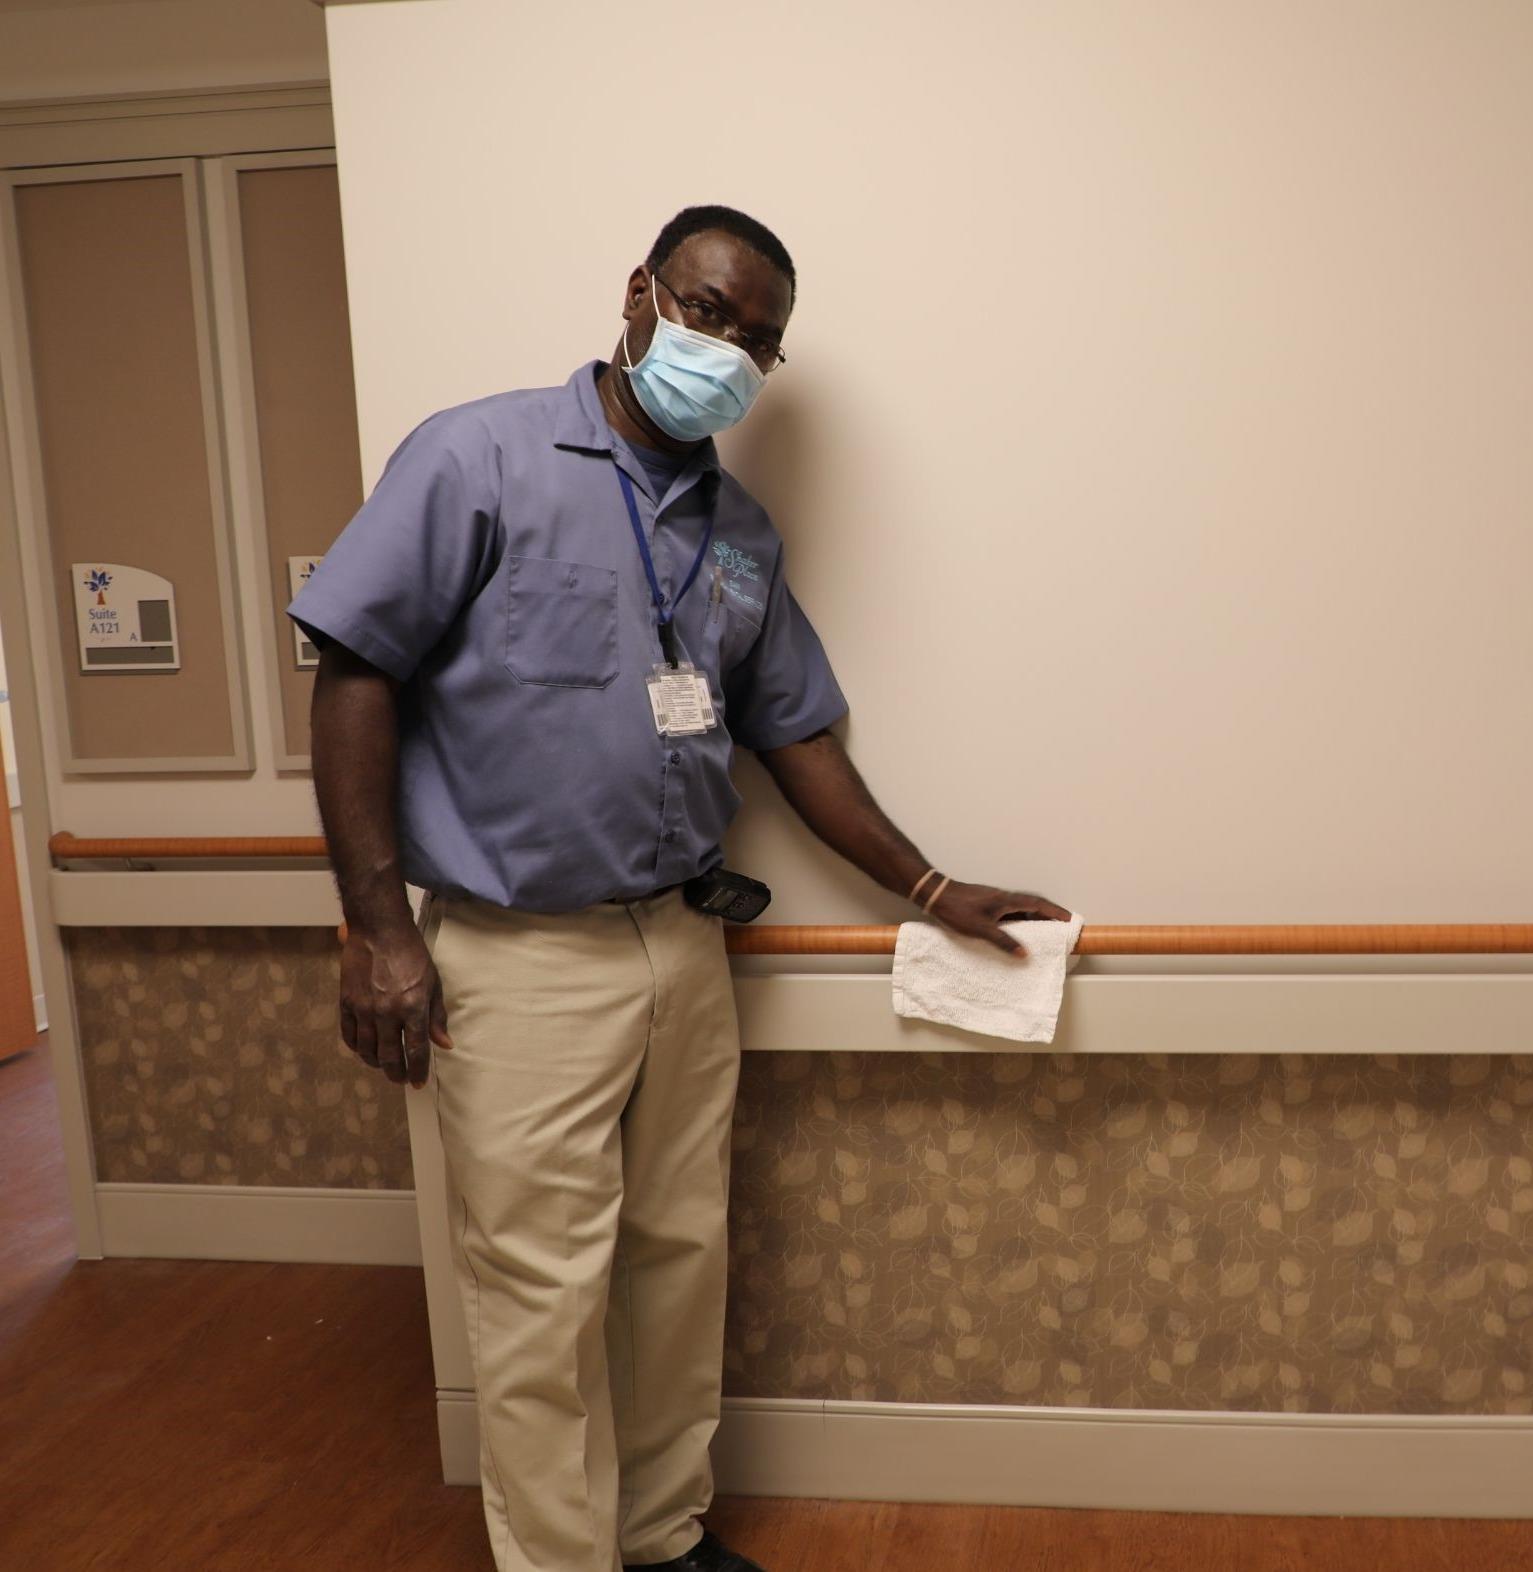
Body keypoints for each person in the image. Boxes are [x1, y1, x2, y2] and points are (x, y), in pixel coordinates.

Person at [291, 204, 1071, 1572]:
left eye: (756, 342)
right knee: (539, 1297)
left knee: (675, 1263)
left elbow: (795, 738)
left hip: (680, 947)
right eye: (709, 311)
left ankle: (659, 1536)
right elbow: (355, 674)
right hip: (519, 957)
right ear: (641, 292)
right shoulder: (479, 456)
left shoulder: (737, 532)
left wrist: (932, 885)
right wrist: (373, 934)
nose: (725, 350)